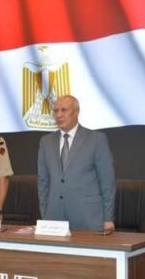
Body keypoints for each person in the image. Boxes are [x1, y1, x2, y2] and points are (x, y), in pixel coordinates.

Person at [37, 95, 116, 233]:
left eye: (64, 110)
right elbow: (43, 181)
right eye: (55, 111)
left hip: (88, 217)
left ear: (76, 112)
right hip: (53, 219)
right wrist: (45, 212)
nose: (58, 115)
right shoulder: (46, 142)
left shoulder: (97, 139)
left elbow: (107, 182)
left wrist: (108, 218)